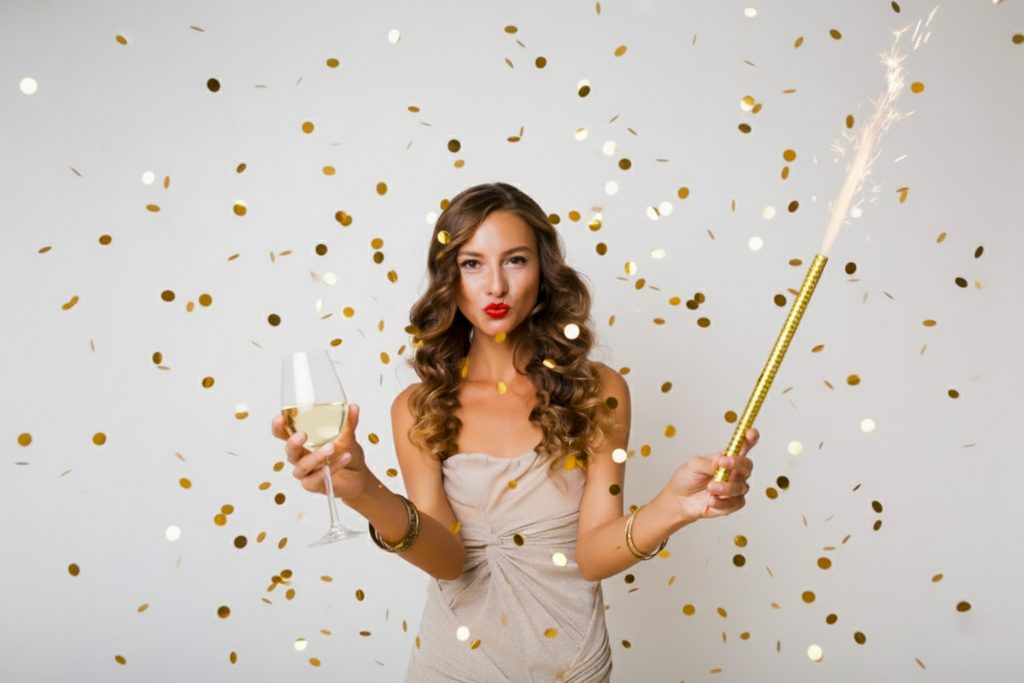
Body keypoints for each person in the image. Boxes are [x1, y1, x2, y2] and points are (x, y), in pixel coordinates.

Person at [271, 181, 758, 682]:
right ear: (449, 278)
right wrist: (360, 490)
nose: (496, 286)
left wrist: (675, 507)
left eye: (516, 260)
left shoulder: (598, 391)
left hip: (572, 664)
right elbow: (447, 559)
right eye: (472, 263)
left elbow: (592, 555)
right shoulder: (419, 407)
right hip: (454, 665)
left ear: (544, 272)